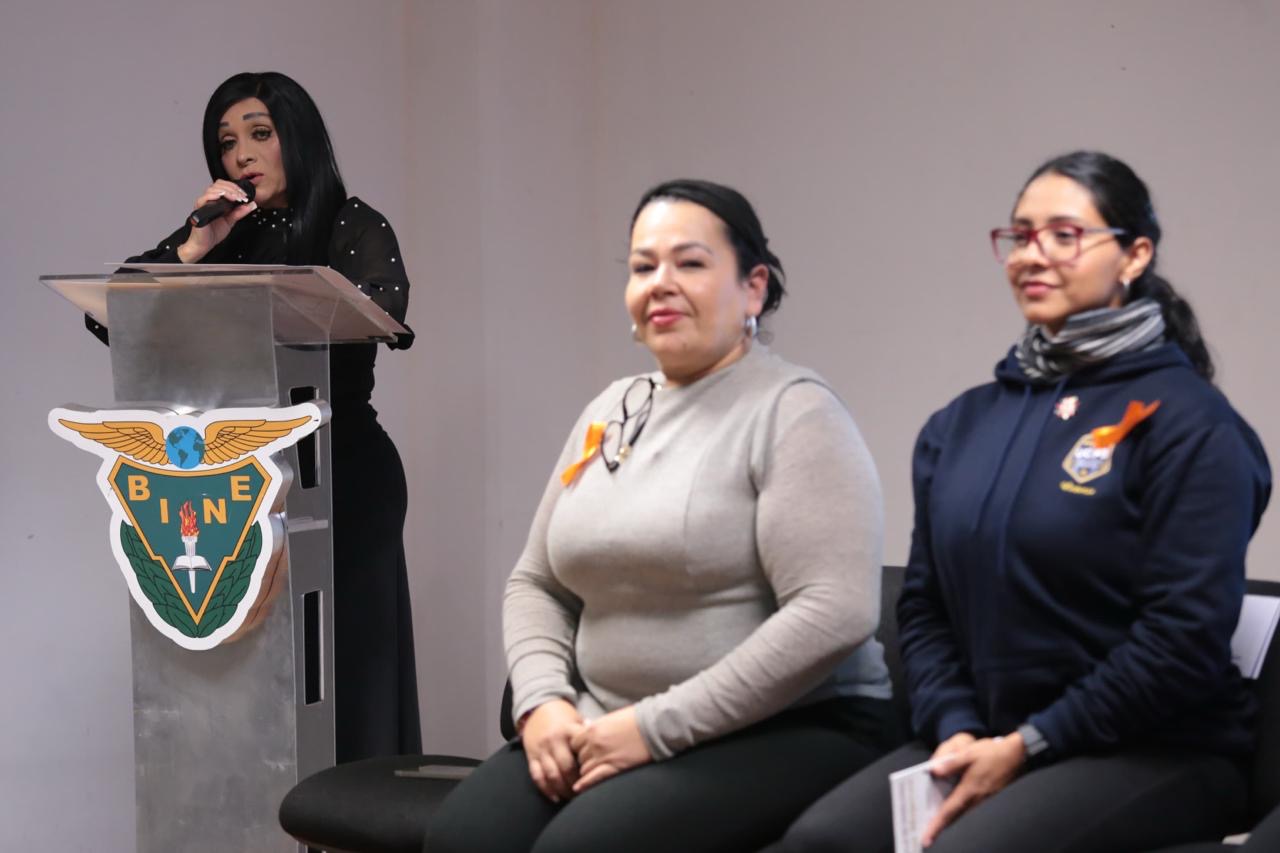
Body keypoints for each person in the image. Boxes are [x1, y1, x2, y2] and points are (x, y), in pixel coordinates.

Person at [774, 150, 1272, 853]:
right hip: (983, 738)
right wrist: (956, 727)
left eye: (1064, 235)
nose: (1032, 255)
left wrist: (1031, 742)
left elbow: (1182, 639)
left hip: (1156, 749)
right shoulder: (961, 423)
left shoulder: (1193, 425)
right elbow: (924, 606)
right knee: (817, 843)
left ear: (1134, 256)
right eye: (1020, 235)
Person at [425, 179, 896, 852]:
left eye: (691, 263)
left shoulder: (795, 410)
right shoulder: (611, 407)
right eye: (644, 266)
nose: (661, 284)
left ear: (754, 287)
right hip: (603, 715)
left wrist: (652, 729)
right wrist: (542, 703)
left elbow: (836, 611)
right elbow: (537, 581)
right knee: (462, 838)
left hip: (788, 726)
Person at [86, 71, 420, 763]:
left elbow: (385, 305)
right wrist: (194, 245)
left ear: (297, 137)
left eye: (259, 135)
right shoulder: (224, 237)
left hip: (341, 471)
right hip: (240, 482)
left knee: (349, 673)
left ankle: (357, 812)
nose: (241, 155)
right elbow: (115, 312)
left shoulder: (351, 222)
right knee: (252, 687)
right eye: (227, 143)